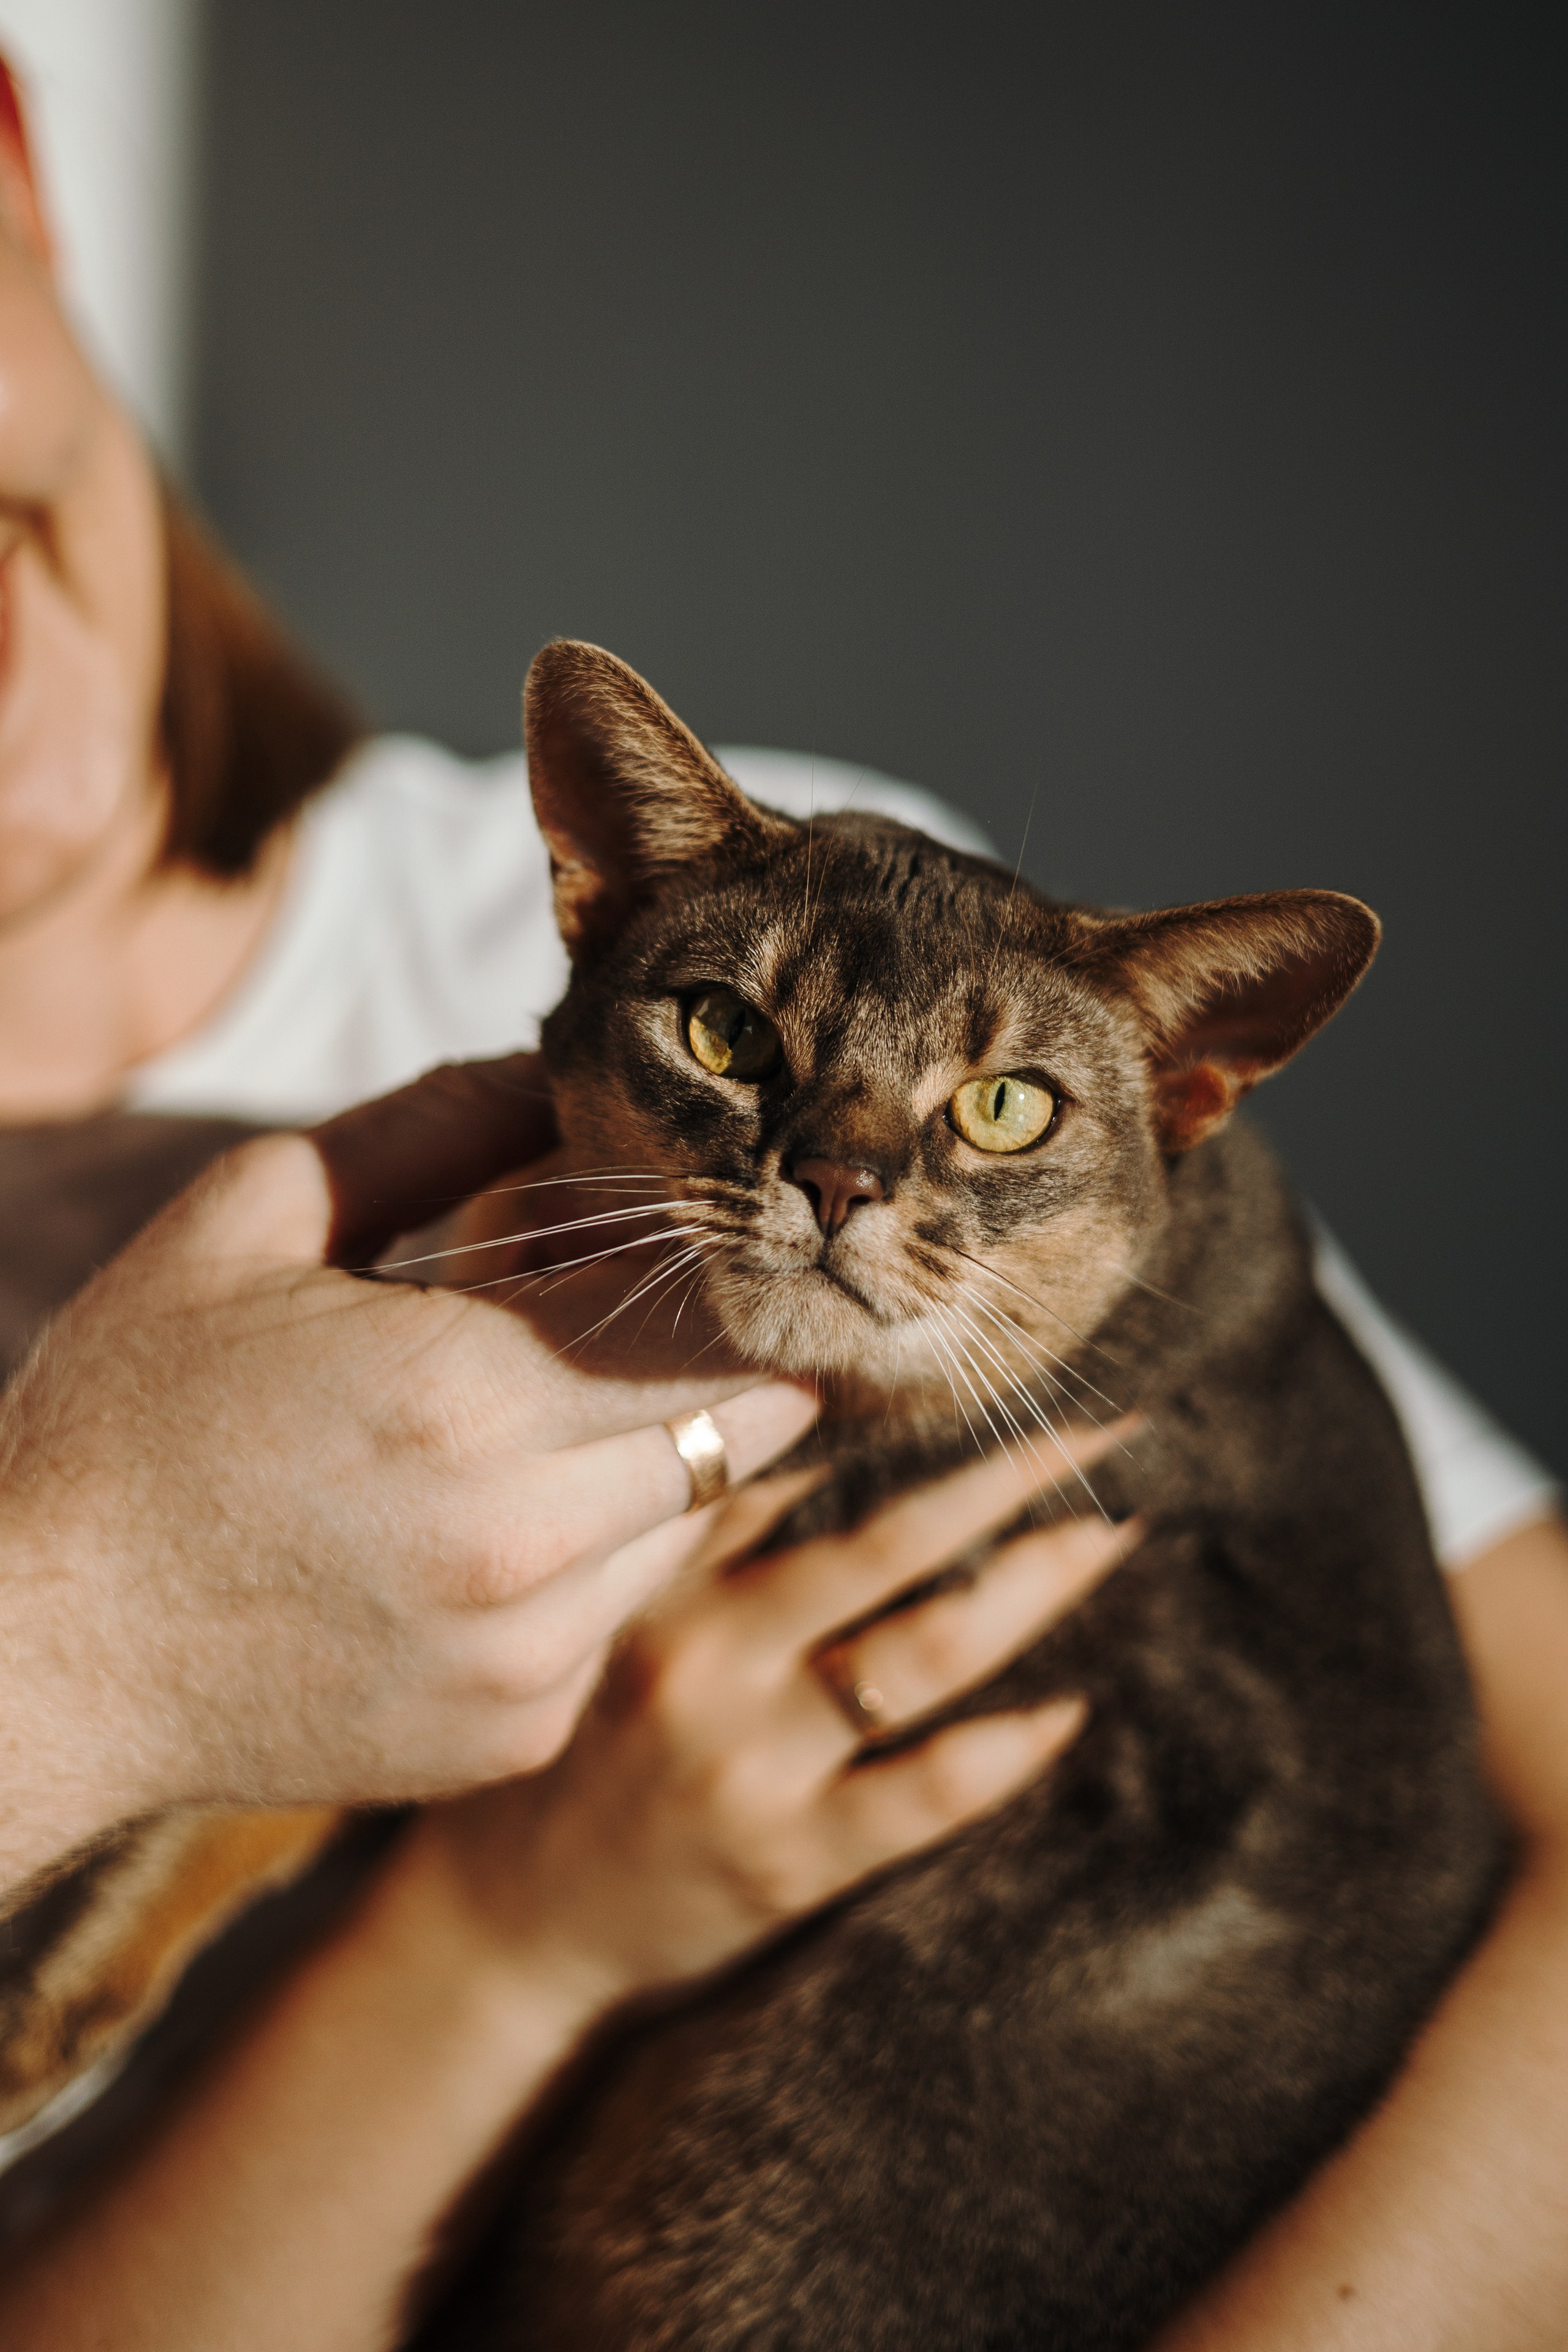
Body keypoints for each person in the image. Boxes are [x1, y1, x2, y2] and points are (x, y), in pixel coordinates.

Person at [0, 47, 1562, 2350]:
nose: (842, 1176)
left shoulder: (814, 894)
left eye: (9, 517)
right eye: (738, 1058)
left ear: (31, 204)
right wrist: (457, 1904)